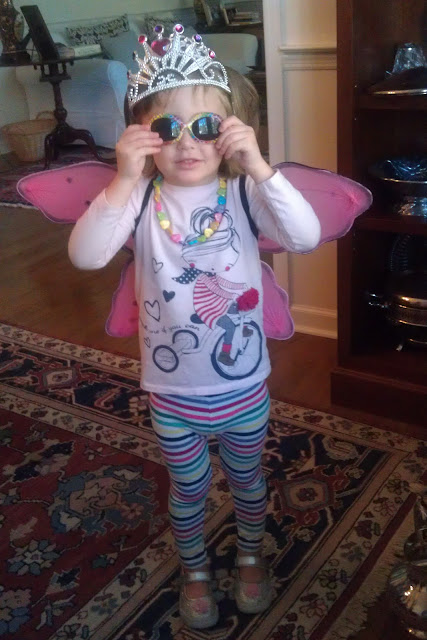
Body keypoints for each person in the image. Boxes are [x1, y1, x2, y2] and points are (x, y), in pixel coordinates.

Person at [68, 24, 321, 629]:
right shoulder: (138, 197)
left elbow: (305, 236)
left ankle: (251, 556)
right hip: (173, 393)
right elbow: (85, 255)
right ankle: (196, 569)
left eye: (205, 126)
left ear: (229, 133)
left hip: (243, 387)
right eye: (165, 128)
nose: (186, 142)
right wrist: (123, 177)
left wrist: (259, 166)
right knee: (188, 489)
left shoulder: (244, 191)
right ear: (141, 138)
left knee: (248, 480)